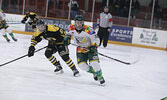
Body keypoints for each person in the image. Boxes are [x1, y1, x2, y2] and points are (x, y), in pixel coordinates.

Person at [65, 15, 105, 85]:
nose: (79, 24)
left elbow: (96, 39)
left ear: (83, 23)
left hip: (90, 48)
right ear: (75, 23)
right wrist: (67, 39)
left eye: (80, 23)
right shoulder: (71, 28)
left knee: (94, 63)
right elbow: (67, 34)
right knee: (81, 65)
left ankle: (100, 77)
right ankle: (94, 72)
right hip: (81, 49)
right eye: (77, 22)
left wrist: (93, 46)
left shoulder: (88, 29)